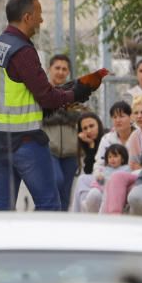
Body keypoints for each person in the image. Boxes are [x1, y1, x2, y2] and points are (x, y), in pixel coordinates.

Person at [0, 0, 94, 211]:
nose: (41, 20)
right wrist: (74, 93)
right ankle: (42, 246)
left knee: (1, 208)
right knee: (49, 205)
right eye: (39, 13)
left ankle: (0, 246)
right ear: (27, 17)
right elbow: (47, 97)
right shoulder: (22, 51)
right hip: (23, 140)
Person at [42, 54, 84, 211]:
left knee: (66, 194)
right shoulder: (41, 92)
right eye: (57, 68)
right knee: (56, 181)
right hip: (48, 149)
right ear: (49, 69)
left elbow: (81, 116)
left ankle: (61, 228)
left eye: (64, 69)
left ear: (68, 72)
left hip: (71, 152)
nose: (60, 72)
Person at [70, 113, 106, 213]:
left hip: (107, 180)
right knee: (83, 182)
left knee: (82, 180)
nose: (89, 131)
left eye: (91, 126)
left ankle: (77, 216)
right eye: (85, 128)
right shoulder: (88, 144)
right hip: (96, 183)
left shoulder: (107, 139)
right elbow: (89, 170)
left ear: (99, 124)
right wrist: (91, 145)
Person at [81, 144, 131, 213]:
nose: (112, 159)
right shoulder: (106, 169)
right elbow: (101, 183)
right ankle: (88, 206)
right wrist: (100, 178)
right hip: (104, 193)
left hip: (117, 196)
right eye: (110, 157)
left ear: (123, 159)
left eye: (115, 156)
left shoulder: (126, 169)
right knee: (94, 193)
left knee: (105, 199)